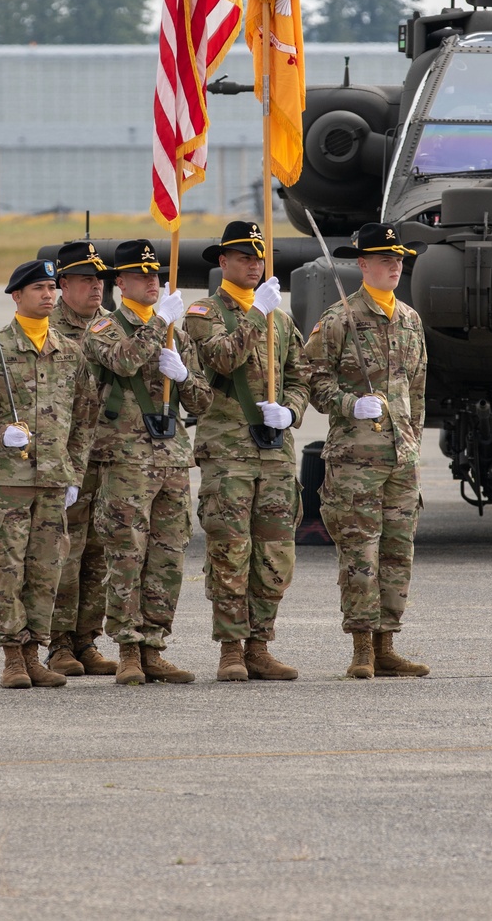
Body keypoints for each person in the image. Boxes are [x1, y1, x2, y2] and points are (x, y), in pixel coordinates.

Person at [0, 257, 96, 690]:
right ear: (17, 296)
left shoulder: (71, 351)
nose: (49, 295)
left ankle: (36, 652)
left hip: (54, 482)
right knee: (7, 569)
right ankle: (12, 658)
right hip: (7, 482)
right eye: (39, 289)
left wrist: (72, 473)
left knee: (46, 571)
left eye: (52, 288)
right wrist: (0, 434)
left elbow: (84, 417)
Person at [183, 220, 309, 682]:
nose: (253, 266)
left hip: (275, 452)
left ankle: (260, 645)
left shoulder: (281, 318)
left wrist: (291, 411)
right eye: (242, 258)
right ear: (223, 263)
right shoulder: (204, 312)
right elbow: (220, 358)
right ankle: (231, 650)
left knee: (275, 553)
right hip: (228, 451)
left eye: (258, 258)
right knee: (230, 552)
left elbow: (301, 375)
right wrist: (257, 314)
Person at [83, 239, 212, 685]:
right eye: (140, 275)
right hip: (125, 459)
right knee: (126, 554)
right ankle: (127, 651)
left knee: (168, 556)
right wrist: (159, 323)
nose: (151, 281)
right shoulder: (104, 329)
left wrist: (185, 375)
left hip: (172, 457)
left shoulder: (173, 329)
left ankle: (155, 646)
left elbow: (202, 400)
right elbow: (123, 362)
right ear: (119, 282)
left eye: (155, 274)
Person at [304, 222, 429, 679]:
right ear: (362, 264)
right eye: (384, 259)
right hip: (356, 460)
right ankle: (360, 647)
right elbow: (312, 380)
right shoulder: (339, 319)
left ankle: (387, 643)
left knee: (398, 553)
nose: (394, 265)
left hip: (401, 459)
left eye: (398, 259)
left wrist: (413, 440)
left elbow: (416, 388)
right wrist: (348, 403)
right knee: (360, 552)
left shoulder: (411, 320)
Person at [47, 240, 117, 678]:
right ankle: (56, 645)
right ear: (63, 284)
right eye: (86, 280)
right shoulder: (47, 329)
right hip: (67, 460)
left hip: (110, 456)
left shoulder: (112, 325)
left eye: (100, 280)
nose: (97, 287)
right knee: (63, 556)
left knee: (100, 555)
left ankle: (87, 640)